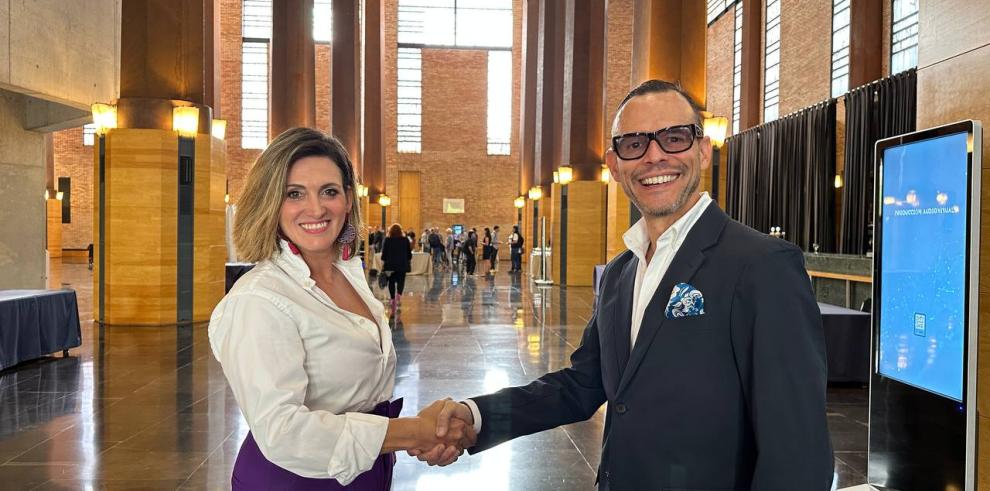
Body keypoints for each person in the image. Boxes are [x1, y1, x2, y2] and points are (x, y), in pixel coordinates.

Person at [416, 80, 834, 489]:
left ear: (704, 151)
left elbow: (798, 452)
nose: (654, 156)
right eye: (634, 144)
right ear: (615, 165)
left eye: (674, 138)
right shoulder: (621, 272)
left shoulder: (762, 265)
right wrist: (476, 416)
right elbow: (581, 386)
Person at [208, 128, 474, 490]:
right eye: (294, 194)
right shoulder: (258, 299)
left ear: (348, 199)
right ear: (270, 201)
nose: (316, 208)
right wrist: (415, 432)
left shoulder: (348, 274)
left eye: (329, 192)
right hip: (295, 480)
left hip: (365, 470)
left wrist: (422, 432)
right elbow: (282, 431)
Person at [381, 223, 412, 311]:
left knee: (391, 282)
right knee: (401, 281)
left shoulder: (387, 240)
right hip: (402, 265)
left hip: (390, 265)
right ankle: (398, 295)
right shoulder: (405, 240)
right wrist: (408, 258)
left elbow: (384, 255)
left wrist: (385, 260)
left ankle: (392, 299)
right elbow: (409, 253)